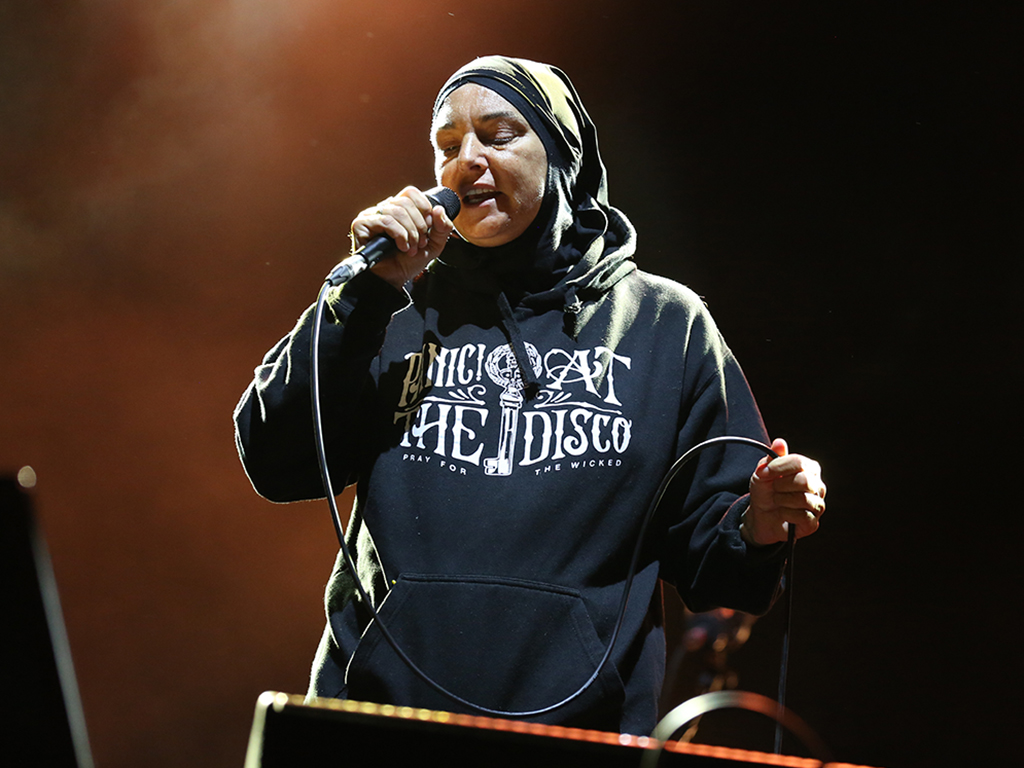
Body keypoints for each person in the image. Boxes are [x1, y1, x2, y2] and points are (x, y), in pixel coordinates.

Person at [233, 55, 826, 735]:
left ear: (564, 154)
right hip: (372, 723)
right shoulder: (391, 303)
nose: (467, 162)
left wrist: (761, 520)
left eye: (498, 135)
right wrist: (360, 295)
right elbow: (276, 459)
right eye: (448, 147)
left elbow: (718, 564)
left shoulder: (666, 324)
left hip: (577, 737)